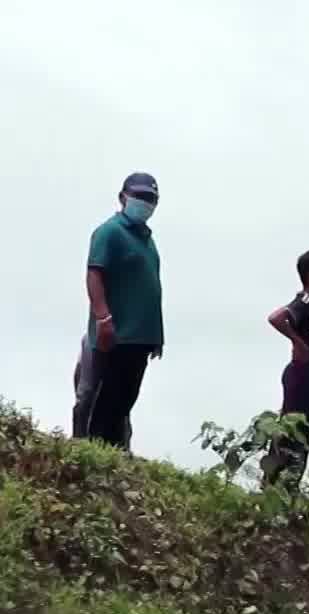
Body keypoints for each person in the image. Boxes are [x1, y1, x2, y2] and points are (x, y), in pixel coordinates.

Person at [82, 173, 164, 449]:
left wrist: (156, 337)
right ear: (123, 197)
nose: (145, 203)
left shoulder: (147, 240)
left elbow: (150, 290)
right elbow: (95, 275)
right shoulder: (110, 232)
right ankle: (93, 452)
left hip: (141, 338)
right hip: (117, 334)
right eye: (140, 197)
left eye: (151, 199)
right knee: (106, 400)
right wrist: (103, 318)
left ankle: (114, 453)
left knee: (125, 400)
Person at [261, 250, 309, 492]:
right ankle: (275, 484)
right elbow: (276, 318)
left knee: (303, 430)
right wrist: (298, 342)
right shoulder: (304, 302)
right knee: (291, 430)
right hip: (300, 375)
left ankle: (287, 485)